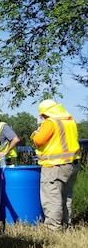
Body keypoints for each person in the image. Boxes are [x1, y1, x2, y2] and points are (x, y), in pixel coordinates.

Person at [31, 99, 81, 231]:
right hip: (72, 163)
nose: (43, 118)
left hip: (54, 166)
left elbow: (39, 140)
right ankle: (66, 224)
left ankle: (53, 228)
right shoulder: (70, 120)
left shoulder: (51, 122)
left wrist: (35, 134)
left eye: (43, 115)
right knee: (66, 197)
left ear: (46, 113)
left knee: (52, 197)